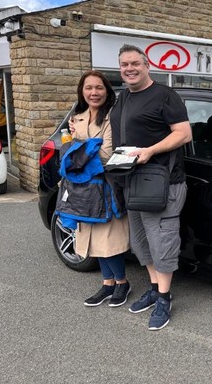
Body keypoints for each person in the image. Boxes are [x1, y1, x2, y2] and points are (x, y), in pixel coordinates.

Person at [110, 44, 192, 331]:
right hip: (131, 182)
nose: (129, 69)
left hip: (162, 182)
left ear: (147, 65)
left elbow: (183, 134)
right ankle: (155, 288)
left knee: (162, 242)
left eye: (135, 63)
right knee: (142, 243)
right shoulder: (122, 99)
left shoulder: (165, 96)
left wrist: (150, 150)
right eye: (124, 65)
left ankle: (165, 298)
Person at [69, 70, 131, 307]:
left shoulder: (113, 117)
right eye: (88, 88)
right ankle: (107, 283)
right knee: (93, 238)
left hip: (106, 187)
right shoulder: (78, 117)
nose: (94, 93)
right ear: (82, 91)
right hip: (83, 189)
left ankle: (122, 282)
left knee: (108, 238)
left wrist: (80, 148)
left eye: (99, 88)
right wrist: (86, 147)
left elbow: (106, 155)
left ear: (107, 90)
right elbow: (73, 149)